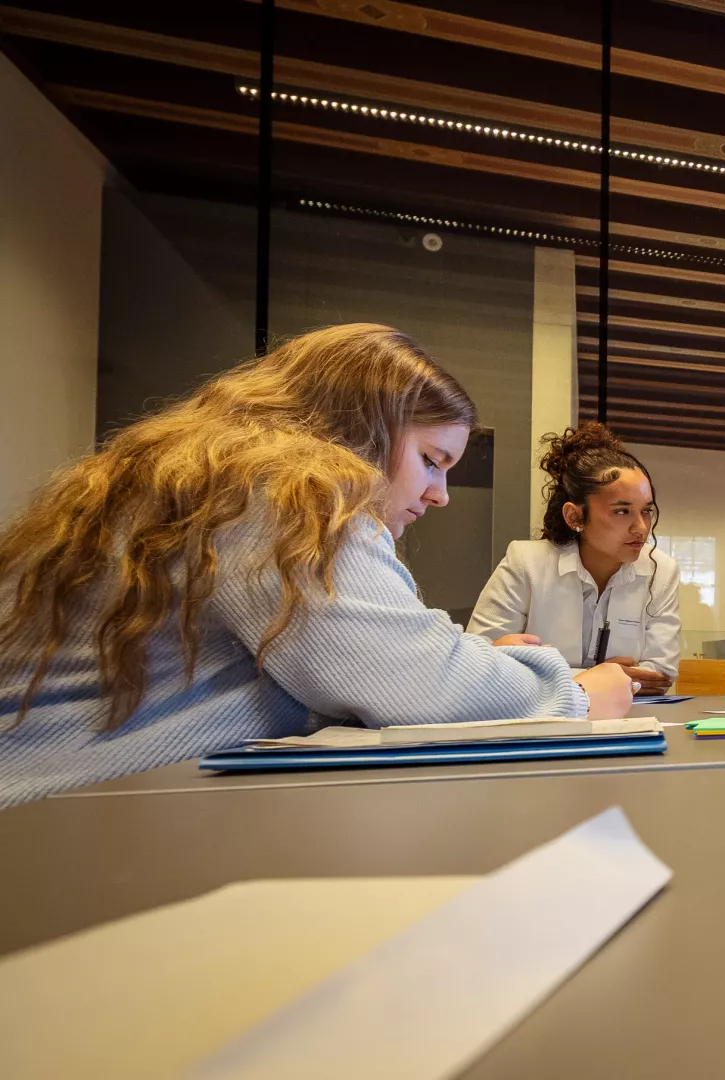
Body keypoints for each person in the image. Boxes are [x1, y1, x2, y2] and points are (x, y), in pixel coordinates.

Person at [0, 325, 635, 808]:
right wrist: (571, 694)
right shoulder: (285, 494)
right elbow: (412, 683)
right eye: (432, 460)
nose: (440, 494)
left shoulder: (207, 478)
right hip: (50, 823)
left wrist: (456, 662)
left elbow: (350, 664)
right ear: (366, 428)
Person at [468, 423, 681, 692]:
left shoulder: (660, 570)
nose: (641, 527)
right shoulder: (526, 562)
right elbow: (480, 664)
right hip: (543, 722)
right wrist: (601, 677)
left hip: (628, 719)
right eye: (621, 511)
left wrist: (544, 672)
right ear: (574, 516)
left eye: (647, 511)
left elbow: (659, 677)